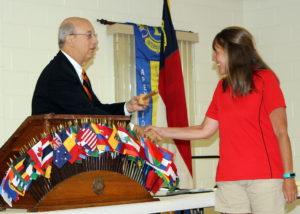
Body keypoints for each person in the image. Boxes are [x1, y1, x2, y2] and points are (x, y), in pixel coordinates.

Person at [146, 26, 298, 214]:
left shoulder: (266, 79)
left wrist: (289, 176)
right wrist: (162, 130)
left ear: (232, 52)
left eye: (217, 52)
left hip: (265, 179)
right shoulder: (222, 87)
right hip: (229, 180)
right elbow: (204, 130)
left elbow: (281, 132)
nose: (214, 58)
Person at [32, 17, 148, 116]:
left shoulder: (72, 71)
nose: (96, 41)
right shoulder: (59, 74)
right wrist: (132, 129)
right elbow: (88, 114)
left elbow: (96, 108)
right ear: (70, 39)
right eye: (89, 36)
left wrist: (128, 107)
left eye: (95, 36)